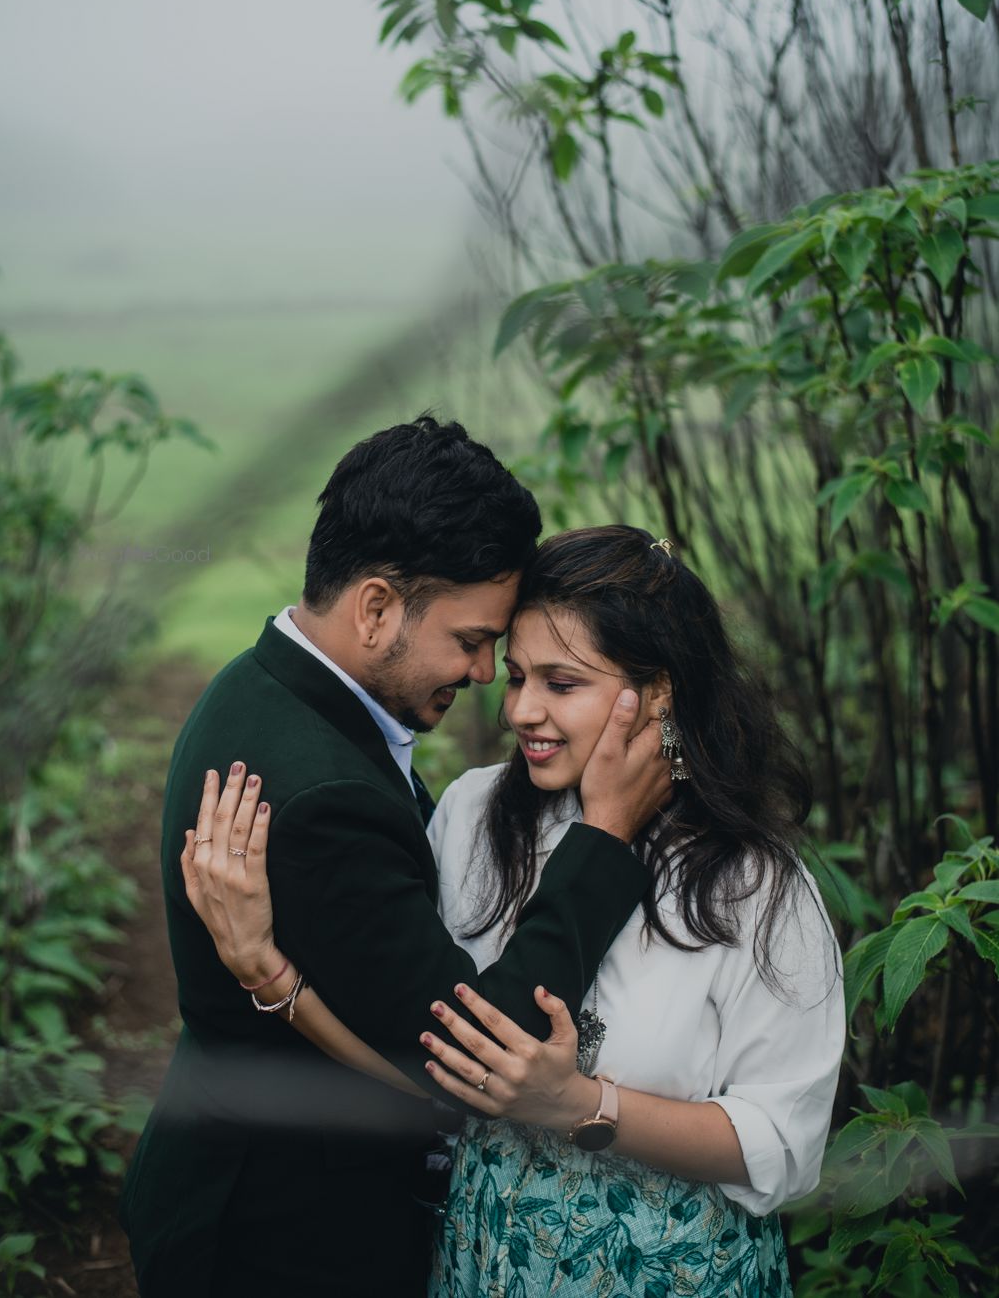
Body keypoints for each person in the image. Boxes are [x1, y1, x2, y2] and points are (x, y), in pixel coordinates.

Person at [183, 525, 845, 1297]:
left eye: (562, 684)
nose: (523, 709)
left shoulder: (756, 885)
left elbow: (779, 1139)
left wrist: (582, 1105)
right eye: (518, 676)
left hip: (668, 1271)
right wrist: (267, 969)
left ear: (658, 692)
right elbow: (430, 1062)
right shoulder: (472, 817)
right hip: (481, 1255)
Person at [119, 423, 671, 1298]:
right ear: (376, 607)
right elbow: (473, 1053)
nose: (489, 673)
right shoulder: (321, 798)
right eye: (472, 639)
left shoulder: (262, 681)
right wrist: (603, 837)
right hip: (283, 1235)